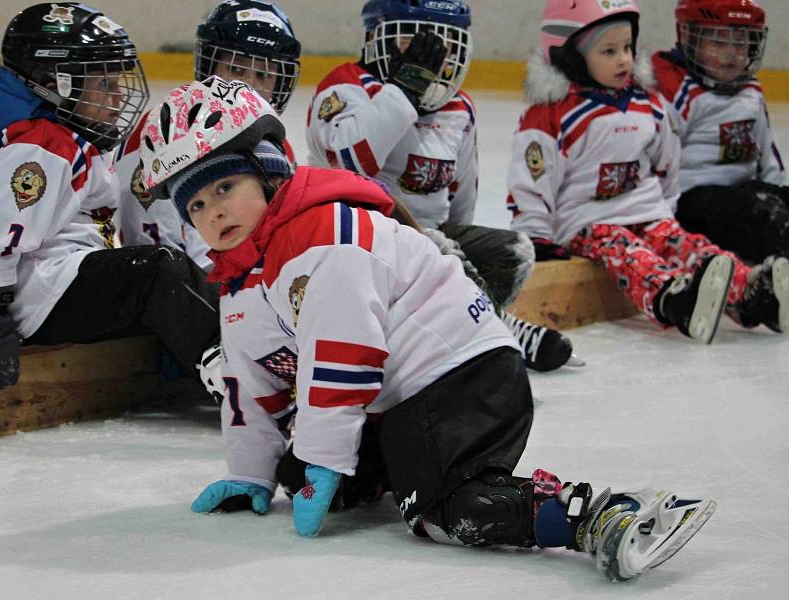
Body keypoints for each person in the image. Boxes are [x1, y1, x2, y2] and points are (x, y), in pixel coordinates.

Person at [141, 76, 716, 582]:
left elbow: (342, 357)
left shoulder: (325, 235)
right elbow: (250, 386)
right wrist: (251, 474)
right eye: (194, 205)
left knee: (445, 510)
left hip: (462, 374)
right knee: (301, 472)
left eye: (224, 188)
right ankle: (398, 467)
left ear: (268, 175)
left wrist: (326, 456)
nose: (212, 212)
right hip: (401, 394)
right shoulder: (240, 283)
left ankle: (596, 517)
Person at [305, 0, 578, 372]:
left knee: (513, 251)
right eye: (412, 41)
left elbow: (461, 192)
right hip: (362, 245)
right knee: (434, 247)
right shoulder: (346, 87)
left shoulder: (458, 108)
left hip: (431, 241)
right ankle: (497, 329)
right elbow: (351, 160)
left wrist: (459, 242)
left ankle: (449, 325)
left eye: (443, 42)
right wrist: (404, 90)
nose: (430, 53)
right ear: (375, 37)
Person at [505, 0, 788, 343]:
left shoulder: (647, 104)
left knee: (691, 246)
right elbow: (531, 183)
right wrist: (538, 237)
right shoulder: (552, 114)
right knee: (626, 252)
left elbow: (667, 164)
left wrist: (665, 211)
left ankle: (750, 294)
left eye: (628, 47)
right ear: (569, 54)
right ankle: (672, 299)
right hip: (589, 223)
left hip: (646, 212)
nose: (625, 59)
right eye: (609, 51)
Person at [0, 3, 219, 394]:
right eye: (104, 85)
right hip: (36, 299)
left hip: (53, 283)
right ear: (54, 81)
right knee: (157, 272)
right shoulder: (42, 145)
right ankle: (247, 381)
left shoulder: (56, 129)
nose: (118, 98)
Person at [115, 0, 301, 271]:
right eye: (236, 69)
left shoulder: (278, 145)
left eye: (264, 74)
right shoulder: (165, 134)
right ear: (209, 68)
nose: (248, 84)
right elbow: (159, 259)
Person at [652, 0, 789, 264]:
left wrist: (780, 190)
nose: (731, 54)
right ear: (689, 37)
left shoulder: (751, 91)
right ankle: (773, 278)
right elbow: (657, 161)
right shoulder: (676, 87)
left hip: (743, 194)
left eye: (740, 43)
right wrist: (661, 224)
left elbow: (768, 155)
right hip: (692, 201)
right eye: (718, 42)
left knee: (774, 204)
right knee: (762, 213)